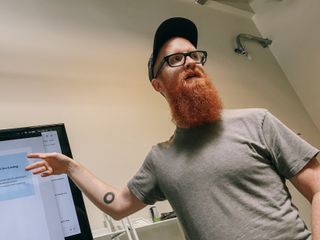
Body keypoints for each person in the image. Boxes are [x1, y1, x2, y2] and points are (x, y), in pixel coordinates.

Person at [26, 17, 320, 240]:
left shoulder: (258, 121)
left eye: (194, 55)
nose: (191, 62)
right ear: (158, 85)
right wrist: (71, 168)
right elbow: (118, 204)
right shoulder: (160, 160)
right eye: (175, 59)